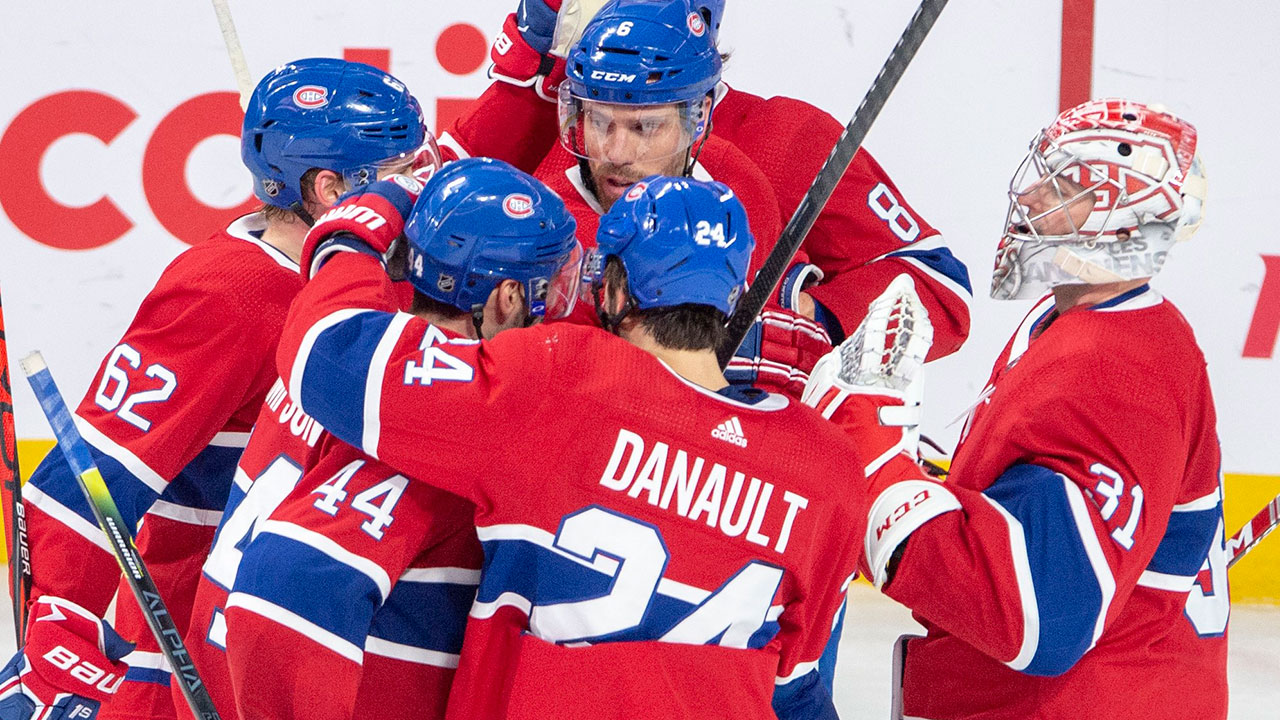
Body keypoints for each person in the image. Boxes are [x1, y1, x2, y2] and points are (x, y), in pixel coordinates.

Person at [267, 173, 877, 719]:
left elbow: (330, 355)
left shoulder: (562, 380)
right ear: (733, 296)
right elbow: (794, 688)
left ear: (614, 292)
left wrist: (355, 230)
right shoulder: (828, 466)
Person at [2, 58, 432, 720]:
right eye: (401, 175)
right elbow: (87, 474)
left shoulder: (373, 272)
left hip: (312, 645)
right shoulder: (229, 292)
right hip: (191, 668)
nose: (420, 191)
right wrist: (60, 637)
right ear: (329, 189)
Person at [807, 99, 1226, 719]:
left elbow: (1043, 616)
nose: (1029, 196)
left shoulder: (1118, 370)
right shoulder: (1074, 321)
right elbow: (1033, 505)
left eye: (1062, 186)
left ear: (1122, 221)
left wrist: (878, 471)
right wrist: (929, 481)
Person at [196, 158, 582, 720]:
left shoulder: (345, 354)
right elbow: (290, 581)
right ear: (506, 298)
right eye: (549, 287)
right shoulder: (443, 423)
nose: (559, 309)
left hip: (221, 666)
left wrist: (358, 227)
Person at [445, 0, 973, 398]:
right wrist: (526, 77)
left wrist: (805, 322)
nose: (617, 151)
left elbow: (939, 285)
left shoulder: (785, 138)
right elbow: (428, 257)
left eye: (647, 125)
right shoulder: (553, 138)